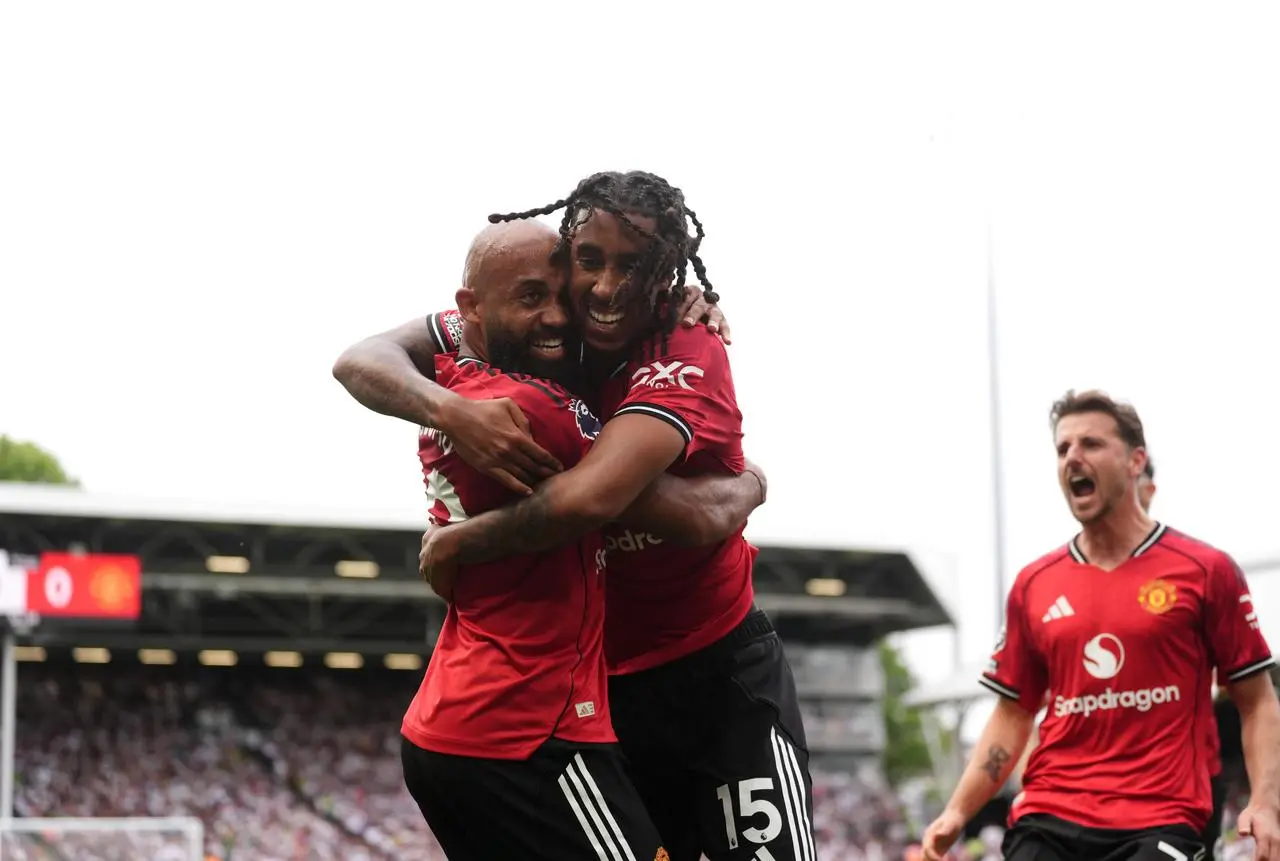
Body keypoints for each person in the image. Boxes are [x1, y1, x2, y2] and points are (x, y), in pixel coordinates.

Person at [407, 170, 814, 861]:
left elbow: (621, 501)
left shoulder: (687, 347)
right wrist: (446, 409)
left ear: (667, 272)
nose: (604, 286)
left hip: (716, 682)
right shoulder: (544, 332)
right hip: (606, 695)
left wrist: (462, 542)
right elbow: (364, 358)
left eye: (634, 265)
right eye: (589, 260)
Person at [922, 389, 1280, 861]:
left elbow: (1256, 701)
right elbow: (1012, 714)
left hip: (1162, 816)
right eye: (1062, 448)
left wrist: (1265, 802)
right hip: (1051, 814)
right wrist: (956, 810)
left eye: (1090, 443)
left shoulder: (1205, 570)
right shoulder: (1035, 584)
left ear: (1136, 461)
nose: (1072, 456)